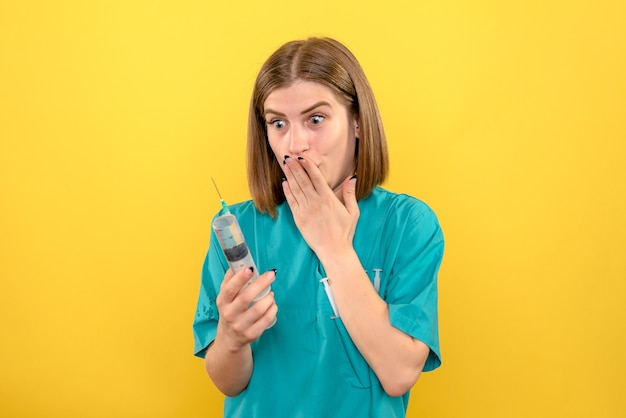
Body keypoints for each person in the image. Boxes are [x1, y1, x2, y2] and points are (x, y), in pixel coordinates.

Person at [193, 37, 444, 418]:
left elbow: (398, 373)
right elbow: (228, 381)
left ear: (357, 122)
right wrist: (232, 336)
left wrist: (335, 249)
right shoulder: (238, 229)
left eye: (315, 119)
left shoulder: (408, 224)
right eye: (278, 123)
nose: (294, 145)